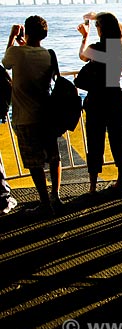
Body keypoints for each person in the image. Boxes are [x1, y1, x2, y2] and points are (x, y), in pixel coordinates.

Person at [2, 15, 63, 216]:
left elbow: (5, 63)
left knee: (34, 163)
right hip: (47, 116)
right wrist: (23, 44)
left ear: (26, 32)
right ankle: (56, 195)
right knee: (54, 157)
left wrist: (11, 37)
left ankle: (44, 202)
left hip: (25, 118)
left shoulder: (17, 53)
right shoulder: (47, 54)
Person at [77, 12, 122, 195]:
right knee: (119, 141)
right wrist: (98, 17)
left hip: (97, 100)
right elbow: (119, 27)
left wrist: (85, 35)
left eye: (98, 26)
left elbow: (82, 56)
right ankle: (121, 180)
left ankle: (92, 186)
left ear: (101, 28)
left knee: (94, 143)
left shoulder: (95, 48)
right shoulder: (120, 46)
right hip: (114, 97)